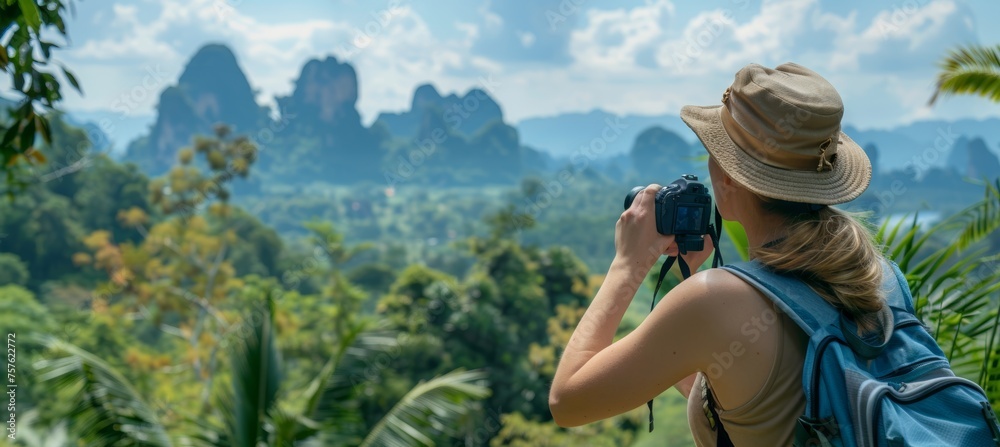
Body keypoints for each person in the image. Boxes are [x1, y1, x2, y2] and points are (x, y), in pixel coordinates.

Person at [548, 62, 882, 446]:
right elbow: (746, 402)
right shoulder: (878, 277)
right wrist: (686, 283)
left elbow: (567, 402)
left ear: (727, 176)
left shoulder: (716, 303)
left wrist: (628, 263)